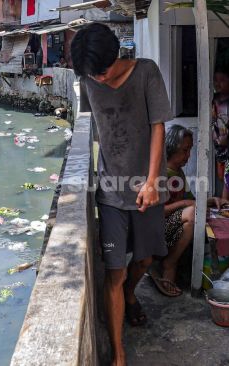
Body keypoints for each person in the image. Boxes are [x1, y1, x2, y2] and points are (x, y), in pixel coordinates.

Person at [71, 23, 173, 366]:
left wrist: (152, 180)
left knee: (145, 259)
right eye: (91, 74)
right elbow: (88, 124)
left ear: (116, 55)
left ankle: (132, 292)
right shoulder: (88, 80)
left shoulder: (146, 72)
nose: (98, 79)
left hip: (148, 190)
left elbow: (159, 125)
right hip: (111, 193)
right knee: (113, 271)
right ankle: (118, 354)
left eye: (102, 71)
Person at [151, 125, 229, 296]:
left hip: (173, 227)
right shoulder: (160, 173)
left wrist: (209, 201)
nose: (188, 156)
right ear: (171, 148)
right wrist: (185, 204)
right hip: (156, 232)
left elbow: (190, 199)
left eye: (189, 150)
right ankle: (169, 264)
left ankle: (171, 265)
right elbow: (157, 212)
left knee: (193, 217)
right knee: (192, 214)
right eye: (184, 151)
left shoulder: (178, 172)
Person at [212, 67, 229, 200]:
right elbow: (213, 121)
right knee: (222, 177)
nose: (218, 83)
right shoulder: (213, 101)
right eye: (215, 80)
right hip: (220, 146)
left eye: (222, 80)